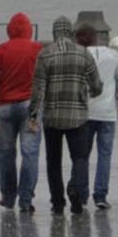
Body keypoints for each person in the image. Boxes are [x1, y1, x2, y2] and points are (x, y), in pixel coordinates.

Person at [27, 16, 103, 214]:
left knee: (53, 161)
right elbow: (96, 85)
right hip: (77, 116)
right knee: (80, 157)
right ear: (70, 32)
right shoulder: (83, 54)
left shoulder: (45, 55)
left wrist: (33, 115)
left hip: (52, 117)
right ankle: (75, 189)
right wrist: (92, 93)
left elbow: (38, 89)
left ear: (54, 33)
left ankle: (58, 202)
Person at [0, 12, 44, 212]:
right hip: (31, 107)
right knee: (30, 153)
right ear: (29, 30)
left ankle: (8, 196)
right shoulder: (38, 50)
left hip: (5, 107)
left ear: (9, 30)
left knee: (6, 154)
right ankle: (26, 199)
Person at [75, 24, 118, 210]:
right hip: (107, 114)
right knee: (104, 155)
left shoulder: (79, 56)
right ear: (95, 37)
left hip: (85, 113)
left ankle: (81, 195)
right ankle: (100, 195)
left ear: (79, 39)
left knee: (83, 155)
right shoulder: (113, 55)